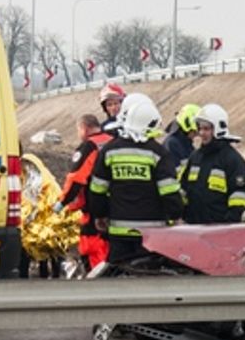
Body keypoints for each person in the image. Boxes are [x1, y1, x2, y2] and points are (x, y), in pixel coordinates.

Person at [88, 93, 183, 263]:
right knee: (148, 278)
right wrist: (176, 216)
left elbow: (97, 189)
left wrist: (99, 215)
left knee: (118, 277)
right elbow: (169, 192)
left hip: (118, 233)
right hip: (152, 234)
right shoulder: (158, 153)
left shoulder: (109, 151)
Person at [52, 113, 113, 272]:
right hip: (119, 204)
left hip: (95, 206)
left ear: (84, 128)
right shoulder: (113, 141)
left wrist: (62, 202)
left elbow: (76, 179)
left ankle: (98, 278)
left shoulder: (89, 146)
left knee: (93, 246)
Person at [180, 103, 245, 224]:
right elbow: (183, 189)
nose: (201, 133)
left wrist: (229, 222)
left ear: (218, 129)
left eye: (206, 129)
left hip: (219, 231)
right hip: (193, 229)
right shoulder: (195, 157)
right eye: (200, 128)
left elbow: (240, 194)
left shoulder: (232, 159)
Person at [163, 103, 200, 175]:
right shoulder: (172, 144)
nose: (196, 135)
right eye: (195, 132)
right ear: (187, 127)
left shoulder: (186, 144)